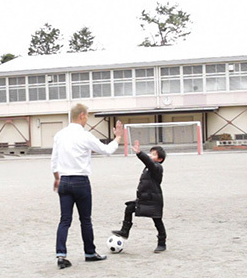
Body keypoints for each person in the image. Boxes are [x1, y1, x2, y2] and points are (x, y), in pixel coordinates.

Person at [51, 103, 123, 269]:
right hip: (81, 181)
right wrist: (118, 137)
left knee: (64, 220)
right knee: (85, 220)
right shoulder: (85, 136)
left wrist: (56, 177)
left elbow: (54, 161)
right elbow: (106, 150)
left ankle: (61, 254)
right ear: (82, 115)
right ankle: (90, 252)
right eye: (87, 116)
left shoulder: (59, 135)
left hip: (64, 180)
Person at [112, 140, 167, 253]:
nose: (150, 155)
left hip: (153, 199)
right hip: (144, 198)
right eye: (150, 153)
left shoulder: (157, 168)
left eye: (154, 154)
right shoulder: (148, 168)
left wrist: (139, 153)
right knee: (129, 208)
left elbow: (149, 163)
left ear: (160, 159)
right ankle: (125, 231)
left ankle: (162, 243)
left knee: (157, 221)